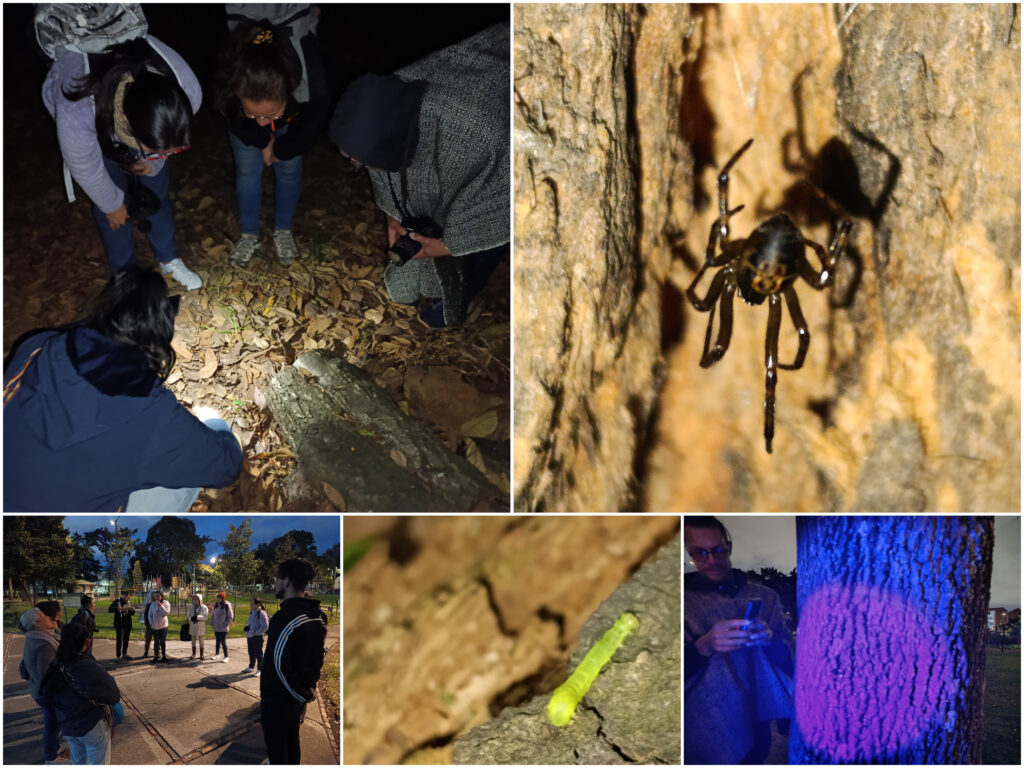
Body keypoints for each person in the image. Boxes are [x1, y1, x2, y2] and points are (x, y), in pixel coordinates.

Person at [3, 265, 243, 512]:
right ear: (155, 341)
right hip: (58, 532)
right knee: (182, 477)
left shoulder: (38, 345)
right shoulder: (154, 415)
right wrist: (216, 423)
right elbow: (226, 466)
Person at [328, 23, 509, 328]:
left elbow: (503, 202)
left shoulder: (481, 133)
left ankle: (462, 294)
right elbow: (383, 163)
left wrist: (451, 244)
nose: (353, 163)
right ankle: (421, 285)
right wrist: (393, 215)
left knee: (483, 235)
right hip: (462, 111)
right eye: (348, 157)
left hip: (506, 133)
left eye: (356, 159)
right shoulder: (388, 101)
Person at [42, 23, 204, 289]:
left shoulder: (188, 94)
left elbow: (166, 146)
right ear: (128, 122)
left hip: (140, 124)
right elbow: (83, 165)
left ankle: (169, 259)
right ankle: (124, 274)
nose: (165, 156)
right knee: (111, 207)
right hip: (99, 129)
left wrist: (154, 162)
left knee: (155, 196)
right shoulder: (79, 108)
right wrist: (112, 204)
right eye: (157, 151)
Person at [211, 6, 331, 267]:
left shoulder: (311, 81)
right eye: (254, 113)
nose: (264, 122)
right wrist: (262, 139)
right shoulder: (228, 77)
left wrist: (282, 148)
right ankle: (249, 234)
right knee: (247, 172)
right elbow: (228, 114)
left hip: (293, 119)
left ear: (290, 90)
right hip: (244, 119)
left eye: (270, 114)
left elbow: (313, 121)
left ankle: (283, 230)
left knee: (289, 169)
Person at [684, 516, 794, 765]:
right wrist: (704, 646)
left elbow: (788, 660)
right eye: (700, 553)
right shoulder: (683, 600)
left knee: (757, 755)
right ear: (689, 553)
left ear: (729, 547)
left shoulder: (765, 597)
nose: (711, 560)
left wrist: (770, 641)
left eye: (718, 550)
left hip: (757, 716)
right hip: (706, 720)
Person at [261, 558, 327, 764]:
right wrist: (308, 689)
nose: (275, 583)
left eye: (277, 578)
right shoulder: (317, 615)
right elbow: (318, 658)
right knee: (292, 743)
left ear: (287, 581)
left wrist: (300, 694)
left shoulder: (284, 619)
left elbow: (278, 665)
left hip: (279, 701)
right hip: (296, 699)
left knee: (278, 751)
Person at [42, 621, 121, 765]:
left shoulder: (56, 664)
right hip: (90, 724)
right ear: (87, 642)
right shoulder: (86, 667)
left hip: (67, 724)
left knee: (78, 760)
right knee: (98, 761)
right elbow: (113, 693)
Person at [18, 605, 63, 765]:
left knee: (52, 722)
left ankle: (53, 750)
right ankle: (51, 758)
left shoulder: (33, 637)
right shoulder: (44, 644)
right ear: (37, 623)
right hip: (46, 693)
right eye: (45, 617)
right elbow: (48, 675)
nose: (49, 618)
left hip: (37, 689)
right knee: (52, 725)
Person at [244, 597, 270, 675]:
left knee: (258, 653)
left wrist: (257, 632)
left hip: (257, 637)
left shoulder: (261, 613)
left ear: (258, 604)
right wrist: (248, 629)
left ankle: (260, 669)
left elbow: (265, 626)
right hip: (250, 635)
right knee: (251, 652)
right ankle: (251, 667)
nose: (250, 605)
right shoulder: (252, 612)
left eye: (252, 603)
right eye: (250, 603)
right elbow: (251, 623)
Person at [108, 591, 135, 661]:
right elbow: (109, 610)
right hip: (120, 624)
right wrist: (116, 608)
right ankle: (118, 656)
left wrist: (132, 610)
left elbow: (132, 613)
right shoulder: (117, 601)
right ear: (124, 596)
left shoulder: (129, 603)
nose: (128, 599)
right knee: (119, 641)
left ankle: (124, 654)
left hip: (127, 624)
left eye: (129, 597)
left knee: (126, 640)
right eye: (127, 597)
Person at [147, 591, 171, 664]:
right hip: (155, 626)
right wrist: (151, 623)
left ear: (161, 596)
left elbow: (166, 613)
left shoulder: (166, 603)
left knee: (162, 641)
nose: (156, 597)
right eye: (155, 596)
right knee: (156, 642)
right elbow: (149, 615)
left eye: (158, 596)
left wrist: (161, 606)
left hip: (163, 626)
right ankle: (156, 656)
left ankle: (163, 656)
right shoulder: (153, 604)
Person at [210, 592, 235, 662]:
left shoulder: (227, 605)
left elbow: (230, 617)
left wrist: (225, 624)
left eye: (219, 598)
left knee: (223, 642)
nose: (217, 599)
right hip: (216, 627)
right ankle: (217, 654)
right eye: (217, 598)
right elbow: (213, 614)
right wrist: (212, 622)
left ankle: (226, 656)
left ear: (222, 598)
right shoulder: (216, 605)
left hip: (223, 627)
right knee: (217, 641)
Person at [188, 594, 209, 660]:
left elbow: (205, 617)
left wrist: (197, 617)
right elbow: (189, 616)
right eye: (194, 599)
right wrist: (191, 618)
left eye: (196, 599)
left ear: (200, 600)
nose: (195, 600)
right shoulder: (192, 607)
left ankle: (201, 655)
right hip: (193, 626)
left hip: (200, 627)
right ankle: (193, 654)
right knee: (193, 641)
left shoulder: (204, 607)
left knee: (201, 641)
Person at [141, 591, 155, 658]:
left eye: (154, 596)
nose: (152, 598)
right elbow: (146, 614)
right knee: (147, 639)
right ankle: (146, 651)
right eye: (152, 597)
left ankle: (157, 652)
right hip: (149, 625)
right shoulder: (149, 605)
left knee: (157, 639)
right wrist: (147, 623)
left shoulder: (158, 604)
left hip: (157, 625)